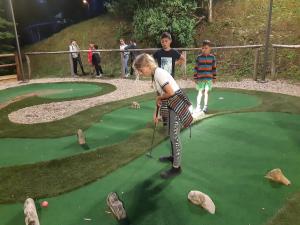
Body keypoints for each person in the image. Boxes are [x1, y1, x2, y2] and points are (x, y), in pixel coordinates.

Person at [133, 53, 193, 179]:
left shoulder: (159, 73)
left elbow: (170, 92)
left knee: (174, 136)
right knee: (170, 133)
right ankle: (173, 157)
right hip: (170, 104)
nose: (140, 73)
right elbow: (159, 96)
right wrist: (156, 113)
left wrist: (159, 97)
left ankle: (177, 167)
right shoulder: (154, 75)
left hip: (176, 104)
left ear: (148, 65)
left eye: (141, 69)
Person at [193, 40, 217, 114]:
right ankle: (198, 106)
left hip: (209, 78)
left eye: (206, 48)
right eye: (203, 48)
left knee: (206, 92)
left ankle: (205, 106)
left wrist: (214, 77)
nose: (204, 49)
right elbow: (196, 68)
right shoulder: (199, 57)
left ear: (210, 48)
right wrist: (195, 77)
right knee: (200, 92)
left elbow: (214, 68)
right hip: (200, 78)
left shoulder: (212, 57)